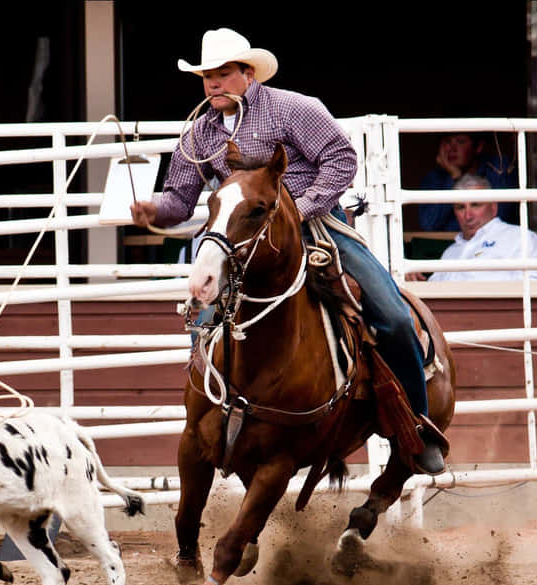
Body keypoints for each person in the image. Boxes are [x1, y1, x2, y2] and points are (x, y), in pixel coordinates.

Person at [130, 27, 447, 474]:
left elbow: (341, 158)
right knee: (202, 314)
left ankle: (418, 424)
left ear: (247, 74)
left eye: (222, 74)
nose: (213, 84)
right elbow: (179, 198)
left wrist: (299, 211)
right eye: (207, 76)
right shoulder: (199, 133)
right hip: (239, 239)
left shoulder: (293, 109)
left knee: (391, 315)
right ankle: (216, 415)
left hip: (315, 227)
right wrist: (153, 209)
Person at [424, 174, 537, 282]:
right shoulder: (450, 253)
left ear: (493, 207)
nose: (468, 216)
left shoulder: (520, 238)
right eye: (461, 207)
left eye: (475, 205)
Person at [418, 132, 518, 231]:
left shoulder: (498, 169)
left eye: (460, 142)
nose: (452, 149)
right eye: (447, 141)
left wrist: (458, 179)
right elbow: (428, 224)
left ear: (478, 147)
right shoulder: (435, 177)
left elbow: (499, 217)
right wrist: (454, 178)